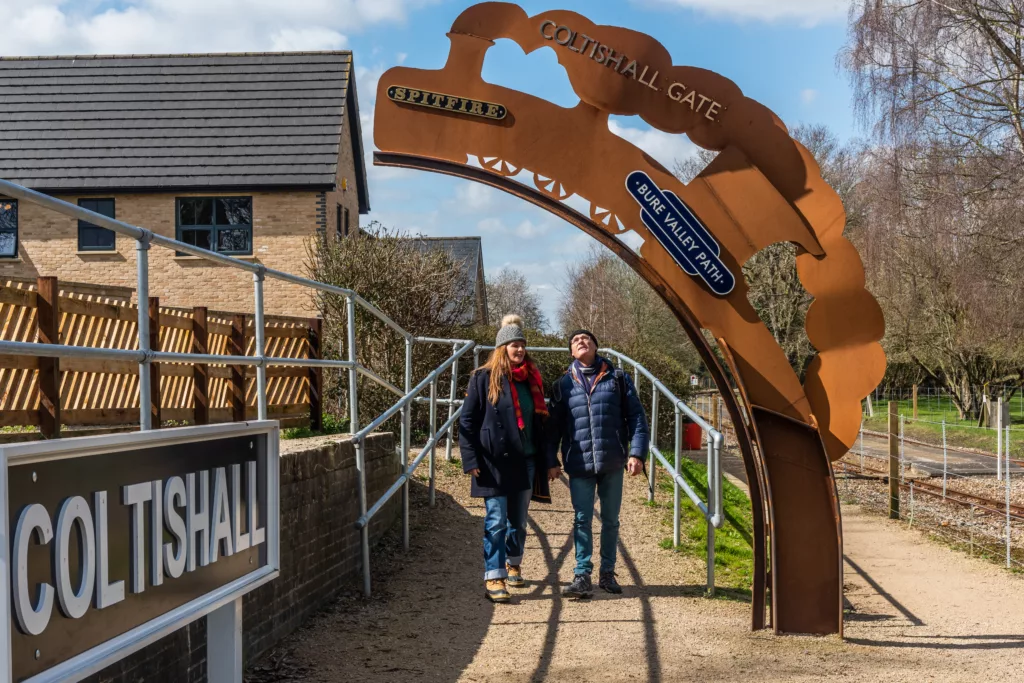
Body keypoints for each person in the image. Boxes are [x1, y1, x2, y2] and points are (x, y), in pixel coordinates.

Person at [546, 329, 649, 598]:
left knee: (611, 520)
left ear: (596, 346)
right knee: (582, 519)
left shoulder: (618, 379)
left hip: (612, 460)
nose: (582, 341)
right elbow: (552, 428)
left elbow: (637, 418)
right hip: (579, 463)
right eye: (576, 340)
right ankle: (582, 574)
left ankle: (607, 572)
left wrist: (637, 454)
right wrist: (550, 460)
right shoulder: (562, 386)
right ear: (571, 352)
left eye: (587, 339)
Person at [459, 314, 550, 603]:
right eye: (514, 344)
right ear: (502, 348)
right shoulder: (483, 379)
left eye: (522, 344)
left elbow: (540, 425)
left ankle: (513, 561)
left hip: (526, 459)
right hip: (493, 461)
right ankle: (494, 576)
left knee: (518, 521)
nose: (520, 349)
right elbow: (468, 421)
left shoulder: (531, 379)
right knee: (496, 520)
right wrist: (470, 458)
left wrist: (550, 460)